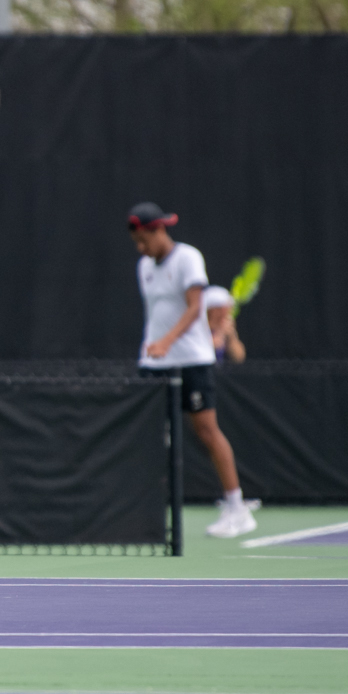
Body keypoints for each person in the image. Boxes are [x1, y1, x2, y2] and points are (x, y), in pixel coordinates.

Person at [127, 203, 257, 539]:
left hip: (192, 361)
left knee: (207, 432)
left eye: (144, 240)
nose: (141, 248)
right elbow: (157, 314)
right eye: (137, 242)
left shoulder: (188, 258)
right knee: (149, 439)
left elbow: (194, 307)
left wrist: (167, 342)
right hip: (154, 364)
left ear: (158, 231)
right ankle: (146, 514)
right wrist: (154, 348)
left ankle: (237, 508)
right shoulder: (144, 266)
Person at [202, 286, 247, 364]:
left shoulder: (227, 327)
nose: (228, 310)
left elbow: (239, 357)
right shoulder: (198, 327)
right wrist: (218, 336)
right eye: (223, 307)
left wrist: (231, 337)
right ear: (212, 310)